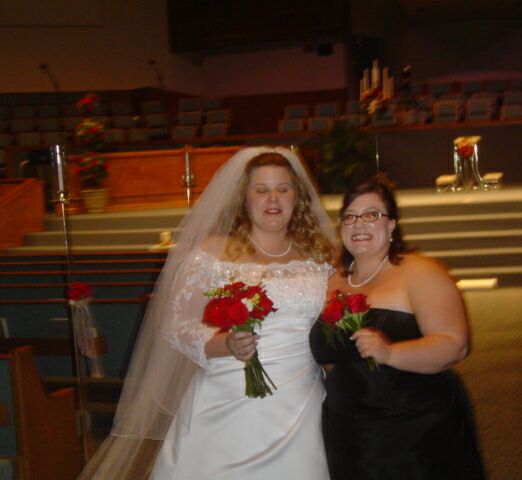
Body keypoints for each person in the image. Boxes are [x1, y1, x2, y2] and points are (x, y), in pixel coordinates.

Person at [79, 146, 335, 479]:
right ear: (245, 198)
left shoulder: (319, 255)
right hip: (230, 397)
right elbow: (177, 326)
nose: (273, 199)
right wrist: (225, 343)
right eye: (262, 190)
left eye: (283, 189)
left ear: (296, 196)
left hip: (303, 401)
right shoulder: (214, 253)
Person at [310, 177, 485, 479]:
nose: (359, 224)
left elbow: (455, 345)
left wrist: (390, 353)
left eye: (371, 215)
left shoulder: (419, 272)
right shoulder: (331, 281)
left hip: (415, 427)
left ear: (391, 224)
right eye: (350, 217)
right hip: (349, 429)